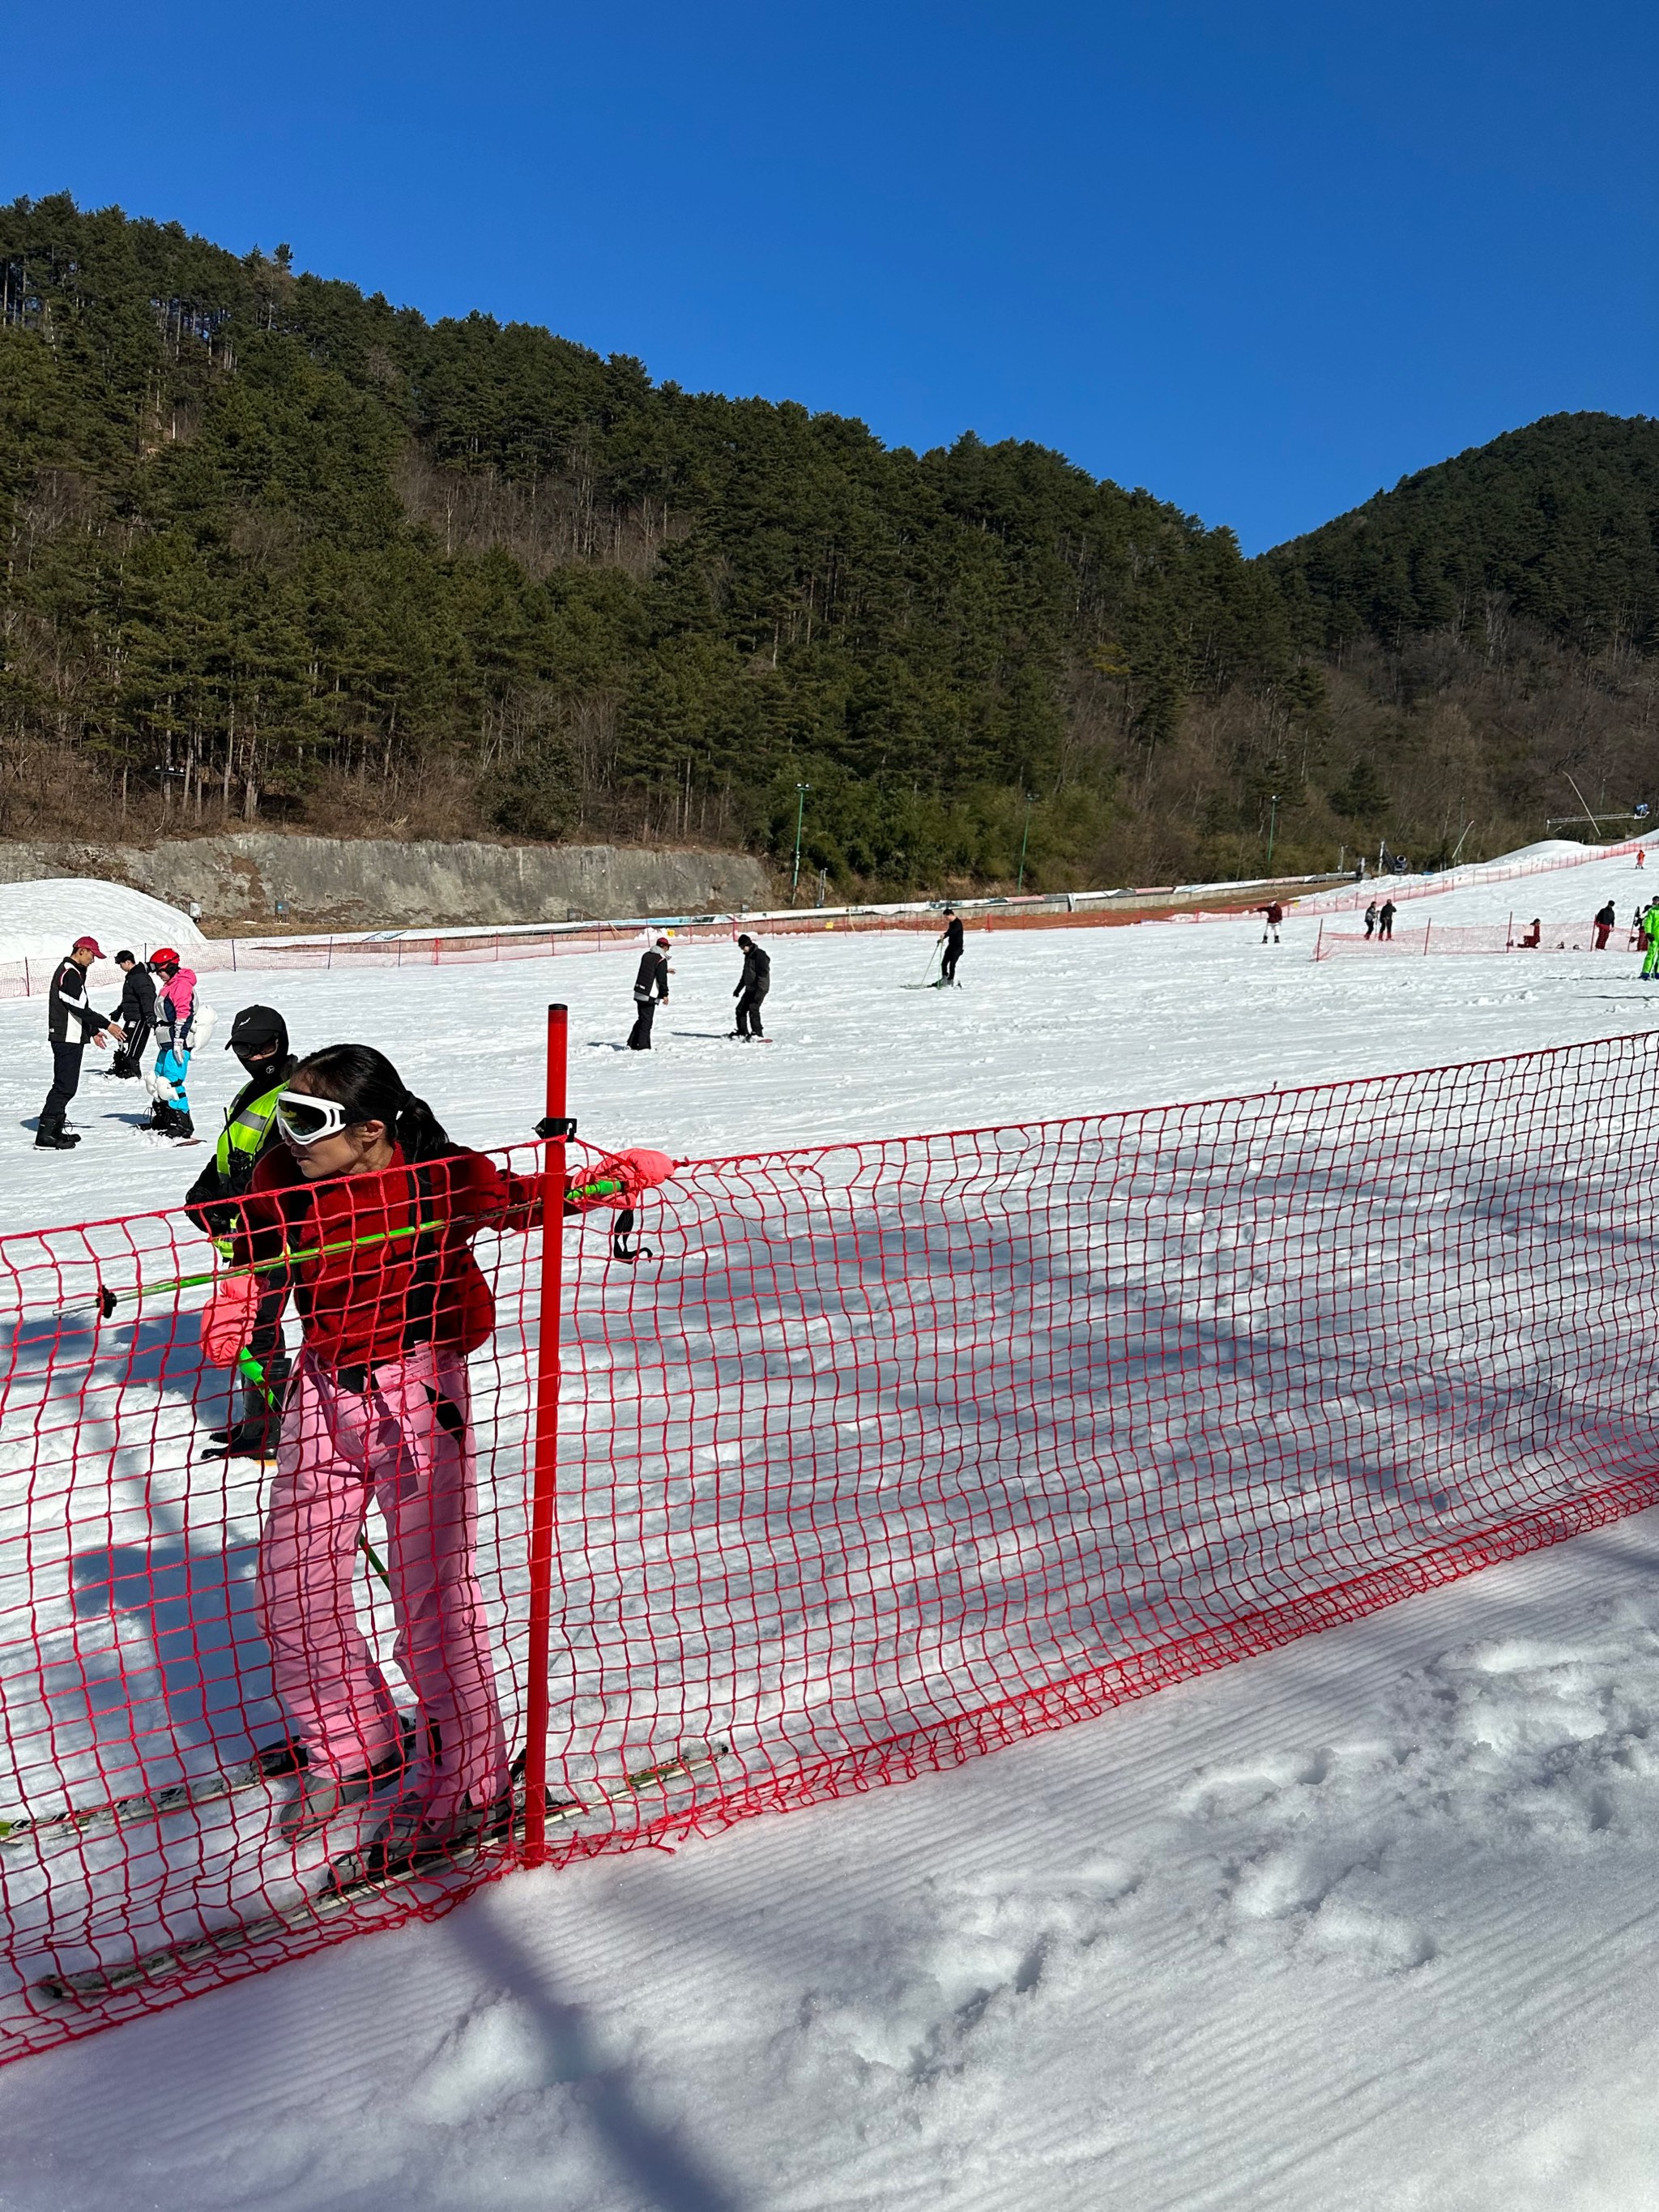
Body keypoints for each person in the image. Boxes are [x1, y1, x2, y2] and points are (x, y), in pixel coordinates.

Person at [184, 1005, 299, 1462]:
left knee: (259, 1328)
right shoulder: (255, 1090)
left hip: (279, 1236)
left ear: (280, 1043)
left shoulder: (295, 1093)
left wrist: (230, 1196)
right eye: (244, 1049)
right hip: (248, 1232)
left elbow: (279, 1165)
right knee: (253, 1326)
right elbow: (235, 1149)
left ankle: (270, 1429)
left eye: (262, 1047)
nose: (252, 1056)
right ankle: (260, 1424)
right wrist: (205, 1188)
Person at [36, 936, 120, 1150]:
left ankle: (54, 1130)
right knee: (64, 1087)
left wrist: (92, 1031)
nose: (93, 960)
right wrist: (107, 1025)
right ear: (82, 950)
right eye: (93, 955)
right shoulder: (70, 973)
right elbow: (78, 1007)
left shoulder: (73, 972)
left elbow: (76, 1007)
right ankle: (46, 1135)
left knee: (66, 1086)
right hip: (66, 1038)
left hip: (71, 1036)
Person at [147, 947, 199, 1138]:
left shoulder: (181, 985)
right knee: (157, 1080)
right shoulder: (170, 984)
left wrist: (179, 1041)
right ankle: (164, 1118)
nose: (158, 974)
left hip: (178, 1042)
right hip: (167, 1040)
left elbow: (184, 1015)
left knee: (172, 1082)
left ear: (170, 966)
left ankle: (183, 1123)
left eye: (160, 970)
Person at [628, 937, 671, 1049]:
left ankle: (632, 1042)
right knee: (646, 1022)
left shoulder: (646, 955)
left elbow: (650, 969)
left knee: (642, 1018)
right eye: (668, 948)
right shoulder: (661, 959)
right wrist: (665, 995)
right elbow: (661, 980)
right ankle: (643, 1047)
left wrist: (666, 970)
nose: (667, 950)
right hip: (649, 995)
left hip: (639, 991)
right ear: (664, 947)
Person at [731, 933, 771, 1039]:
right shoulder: (748, 956)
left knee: (753, 1008)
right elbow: (746, 976)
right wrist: (738, 989)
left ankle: (758, 1034)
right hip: (750, 989)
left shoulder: (759, 955)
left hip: (760, 988)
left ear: (747, 945)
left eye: (742, 947)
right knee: (740, 1010)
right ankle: (742, 1032)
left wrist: (760, 990)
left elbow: (763, 974)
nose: (742, 950)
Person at [936, 910, 966, 987]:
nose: (946, 919)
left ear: (951, 915)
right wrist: (943, 938)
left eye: (946, 917)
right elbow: (950, 932)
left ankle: (950, 981)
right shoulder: (951, 923)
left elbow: (953, 931)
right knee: (944, 963)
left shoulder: (958, 923)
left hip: (957, 947)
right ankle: (944, 978)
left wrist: (945, 934)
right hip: (951, 946)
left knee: (952, 964)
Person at [1642, 902, 1659, 981]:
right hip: (1654, 937)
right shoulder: (1653, 911)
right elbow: (1648, 922)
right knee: (1651, 955)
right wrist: (1648, 932)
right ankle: (1645, 972)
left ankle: (1657, 973)